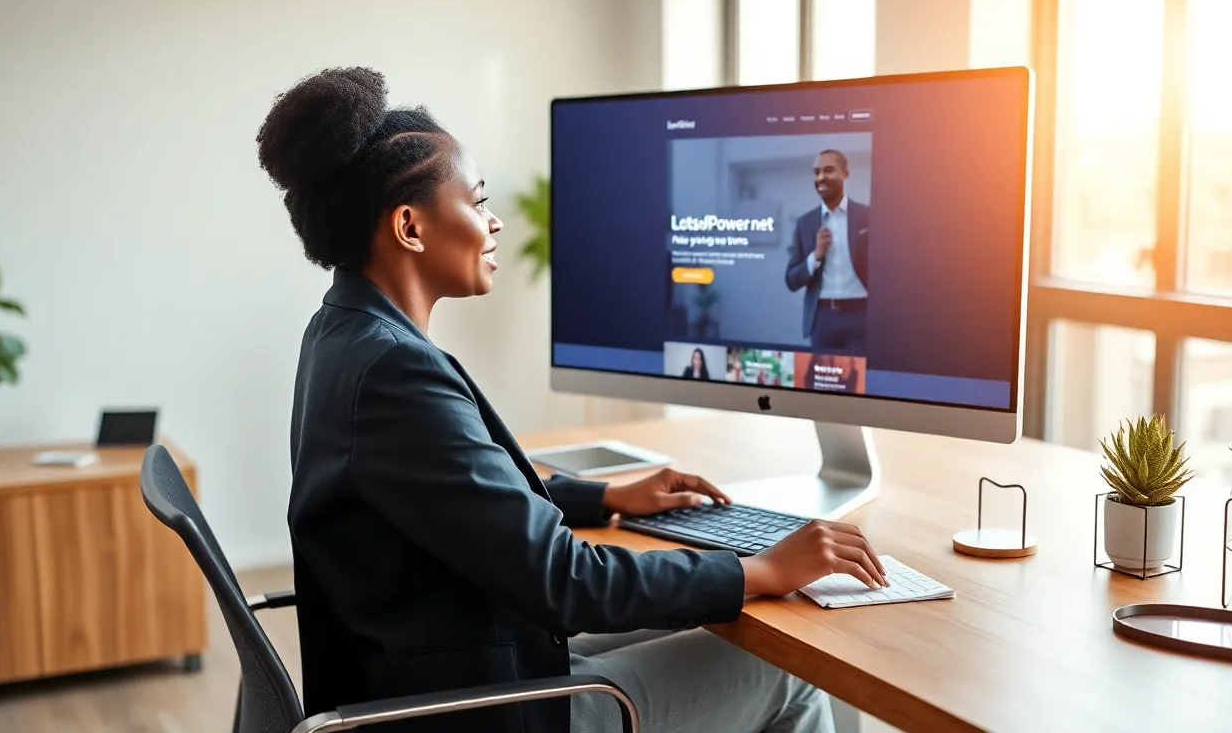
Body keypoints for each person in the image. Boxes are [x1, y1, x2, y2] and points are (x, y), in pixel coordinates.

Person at [259, 67, 888, 733]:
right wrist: (753, 570)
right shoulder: (395, 371)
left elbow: (457, 502)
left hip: (451, 653)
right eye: (476, 201)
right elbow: (565, 582)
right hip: (472, 706)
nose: (494, 222)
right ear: (411, 227)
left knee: (705, 635)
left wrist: (606, 498)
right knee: (785, 673)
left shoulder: (342, 333)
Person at [784, 150, 871, 354]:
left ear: (845, 174)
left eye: (829, 170)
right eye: (817, 172)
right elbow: (791, 280)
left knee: (861, 382)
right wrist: (815, 256)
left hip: (862, 315)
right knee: (820, 381)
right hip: (822, 318)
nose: (821, 177)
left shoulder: (869, 216)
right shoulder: (805, 224)